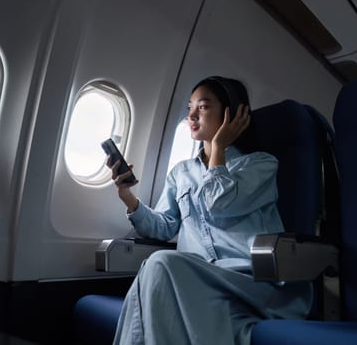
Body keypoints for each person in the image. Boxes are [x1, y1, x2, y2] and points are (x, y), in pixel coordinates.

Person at [108, 76, 312, 345]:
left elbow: (220, 202)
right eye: (190, 107)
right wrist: (127, 197)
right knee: (156, 265)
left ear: (232, 113)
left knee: (160, 263)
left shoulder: (260, 165)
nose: (191, 115)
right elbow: (165, 226)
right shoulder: (181, 172)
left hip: (249, 279)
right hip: (197, 278)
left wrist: (218, 147)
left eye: (202, 107)